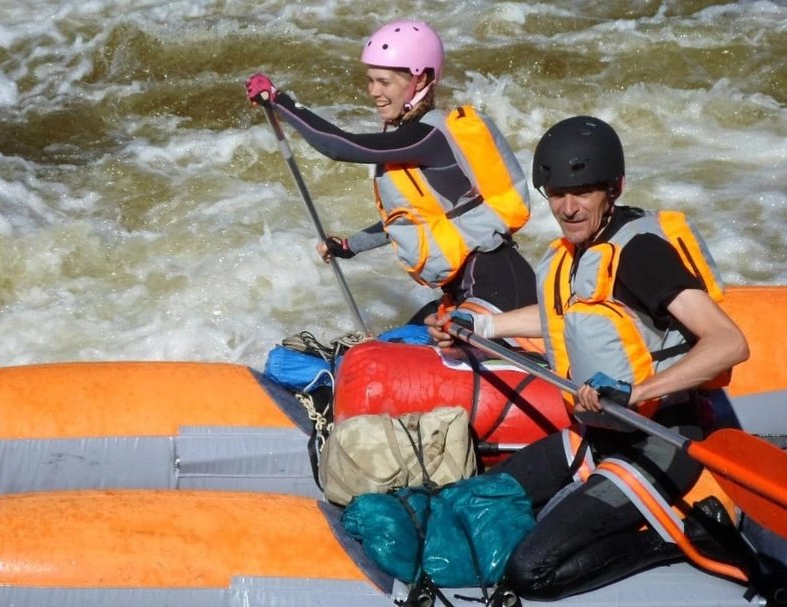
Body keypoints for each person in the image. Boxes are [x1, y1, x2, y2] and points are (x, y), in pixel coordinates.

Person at [427, 115, 761, 600]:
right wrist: (480, 326)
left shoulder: (641, 253)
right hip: (595, 435)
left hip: (659, 441)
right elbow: (560, 316)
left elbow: (729, 342)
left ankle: (677, 541)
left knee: (530, 572)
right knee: (475, 498)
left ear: (614, 188)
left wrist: (639, 392)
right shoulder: (575, 251)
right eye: (557, 193)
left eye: (582, 192)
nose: (568, 207)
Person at [245, 20, 537, 324]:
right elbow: (413, 218)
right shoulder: (414, 139)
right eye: (370, 81)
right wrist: (350, 246)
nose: (374, 91)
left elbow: (340, 147)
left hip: (496, 286)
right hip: (465, 288)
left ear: (420, 79)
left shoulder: (427, 137)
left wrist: (280, 101)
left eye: (384, 82)